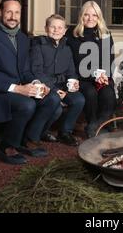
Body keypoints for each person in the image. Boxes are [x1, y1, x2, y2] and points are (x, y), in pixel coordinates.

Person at [0, 0, 62, 165]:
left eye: (17, 12)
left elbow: (26, 71)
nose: (13, 16)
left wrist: (36, 83)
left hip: (20, 88)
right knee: (27, 104)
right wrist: (18, 89)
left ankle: (29, 139)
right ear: (0, 12)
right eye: (9, 12)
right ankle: (6, 146)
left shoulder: (22, 38)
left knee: (52, 98)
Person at [30, 14, 85, 146]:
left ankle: (65, 132)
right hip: (45, 86)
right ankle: (40, 133)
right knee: (56, 108)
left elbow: (71, 71)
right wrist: (54, 89)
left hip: (63, 86)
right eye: (52, 27)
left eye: (60, 28)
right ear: (46, 28)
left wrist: (74, 81)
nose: (56, 30)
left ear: (65, 30)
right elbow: (36, 71)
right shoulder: (38, 46)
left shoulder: (66, 48)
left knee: (79, 100)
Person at [66, 1, 117, 138]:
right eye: (86, 15)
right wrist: (93, 75)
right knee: (90, 92)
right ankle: (93, 123)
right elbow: (72, 62)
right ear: (81, 16)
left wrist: (105, 75)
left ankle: (95, 126)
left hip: (101, 76)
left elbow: (109, 59)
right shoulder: (72, 34)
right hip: (82, 77)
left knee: (108, 93)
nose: (90, 18)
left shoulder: (105, 34)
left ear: (99, 17)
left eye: (94, 15)